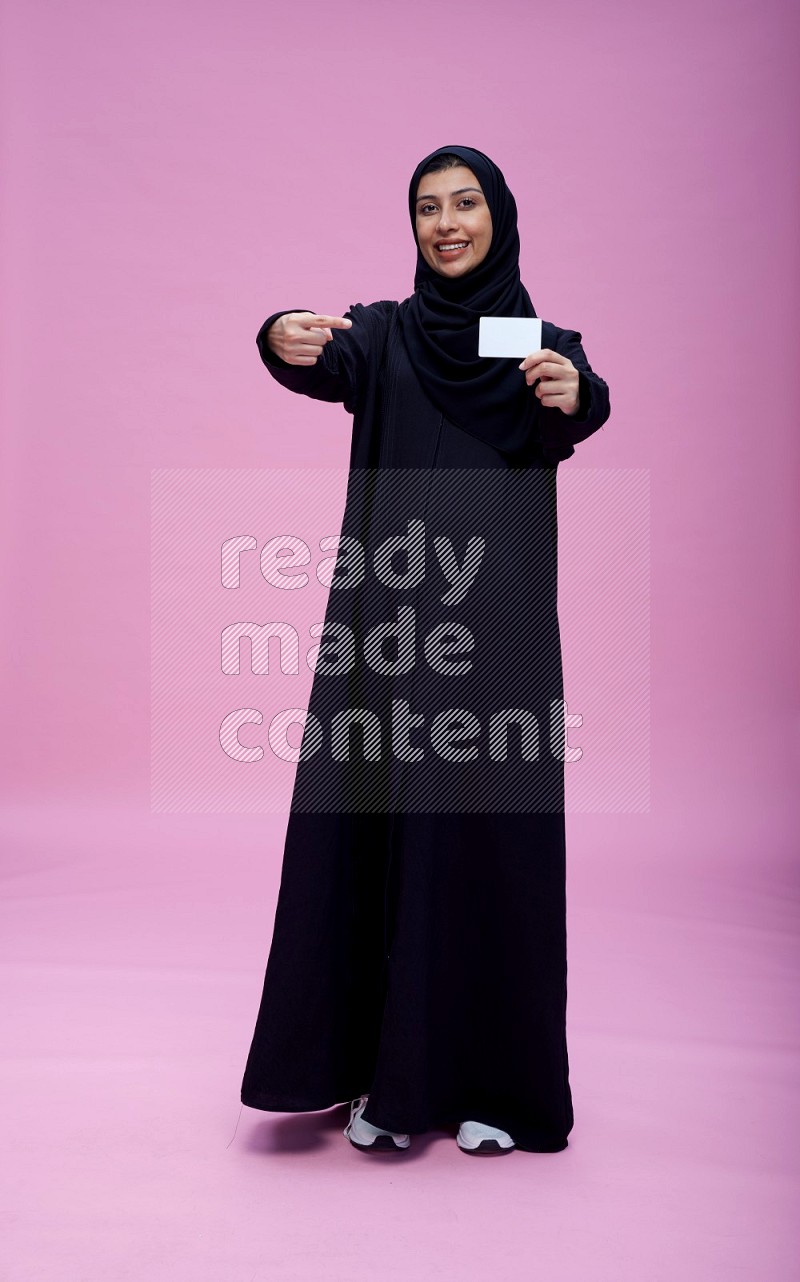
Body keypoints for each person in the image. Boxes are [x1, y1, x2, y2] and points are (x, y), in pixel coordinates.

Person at [240, 144, 611, 1156]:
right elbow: (308, 356)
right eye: (425, 208)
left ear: (499, 216)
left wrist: (571, 391)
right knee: (384, 838)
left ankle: (497, 1084)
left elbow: (579, 394)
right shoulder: (386, 334)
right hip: (388, 636)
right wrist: (277, 331)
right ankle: (382, 1080)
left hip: (496, 650)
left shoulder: (535, 340)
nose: (445, 223)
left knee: (488, 851)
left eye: (464, 204)